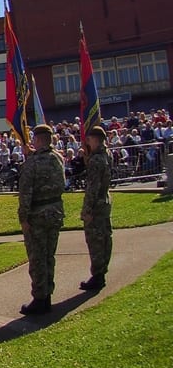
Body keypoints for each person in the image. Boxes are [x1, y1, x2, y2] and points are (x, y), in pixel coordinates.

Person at [18, 124, 66, 315]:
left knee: (37, 258)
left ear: (37, 140)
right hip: (55, 211)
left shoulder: (32, 163)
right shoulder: (58, 158)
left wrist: (23, 217)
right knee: (49, 256)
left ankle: (40, 297)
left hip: (37, 214)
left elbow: (26, 193)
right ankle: (47, 294)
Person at [80, 125, 113, 291]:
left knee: (96, 241)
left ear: (96, 139)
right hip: (105, 201)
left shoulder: (96, 159)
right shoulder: (107, 155)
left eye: (89, 139)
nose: (87, 142)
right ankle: (101, 272)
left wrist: (86, 210)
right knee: (105, 238)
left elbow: (92, 187)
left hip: (96, 204)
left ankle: (97, 275)